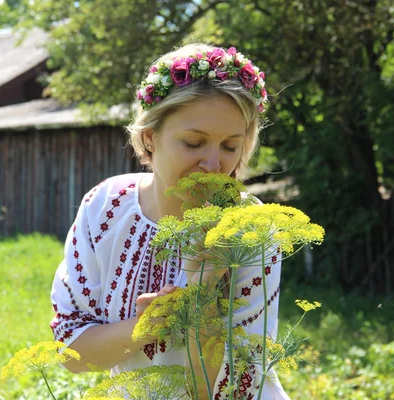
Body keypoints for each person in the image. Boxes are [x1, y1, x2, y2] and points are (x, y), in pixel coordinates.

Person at [50, 43, 290, 399]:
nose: (213, 164)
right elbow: (72, 352)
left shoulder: (250, 232)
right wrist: (148, 326)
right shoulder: (105, 206)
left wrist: (202, 293)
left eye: (229, 146)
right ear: (150, 138)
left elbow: (226, 389)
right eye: (194, 143)